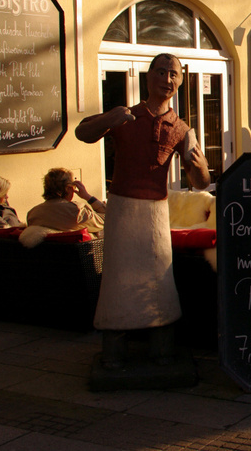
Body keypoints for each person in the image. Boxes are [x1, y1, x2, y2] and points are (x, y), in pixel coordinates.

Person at [75, 52, 211, 369]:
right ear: (148, 77)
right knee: (118, 280)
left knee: (159, 280)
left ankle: (162, 349)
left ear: (180, 81)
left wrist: (202, 167)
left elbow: (201, 182)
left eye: (173, 74)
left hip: (156, 213)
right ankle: (113, 353)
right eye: (161, 72)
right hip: (122, 210)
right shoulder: (126, 116)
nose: (167, 80)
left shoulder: (181, 128)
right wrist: (110, 118)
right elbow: (83, 133)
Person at [26, 168, 106, 235]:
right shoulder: (77, 212)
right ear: (68, 188)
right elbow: (107, 220)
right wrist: (88, 197)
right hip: (77, 253)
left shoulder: (32, 214)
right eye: (73, 186)